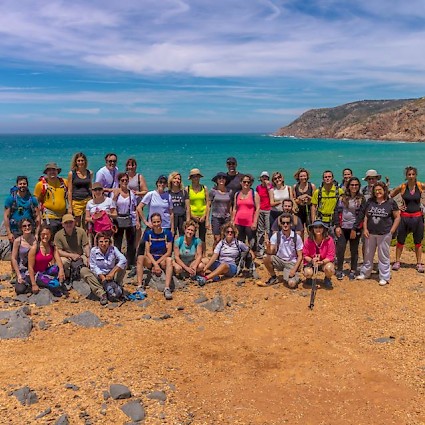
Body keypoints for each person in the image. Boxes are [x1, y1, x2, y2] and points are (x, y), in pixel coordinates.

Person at [356, 182, 400, 286]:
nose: (377, 192)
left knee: (383, 255)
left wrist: (392, 231)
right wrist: (365, 229)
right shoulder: (370, 201)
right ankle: (365, 273)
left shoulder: (391, 202)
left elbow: (397, 217)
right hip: (370, 233)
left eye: (380, 190)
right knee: (368, 254)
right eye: (375, 190)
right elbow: (366, 216)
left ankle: (384, 276)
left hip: (384, 233)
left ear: (384, 190)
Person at [54, 214, 106, 303]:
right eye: (66, 223)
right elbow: (58, 251)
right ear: (63, 224)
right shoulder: (58, 235)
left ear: (74, 222)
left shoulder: (81, 231)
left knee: (89, 262)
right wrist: (71, 255)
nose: (69, 224)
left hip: (80, 255)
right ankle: (66, 278)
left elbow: (85, 245)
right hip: (66, 256)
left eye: (70, 222)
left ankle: (90, 279)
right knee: (63, 262)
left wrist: (88, 257)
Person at [390, 166, 425, 273]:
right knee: (400, 240)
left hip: (417, 217)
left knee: (418, 242)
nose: (411, 176)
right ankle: (397, 261)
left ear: (416, 175)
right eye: (409, 174)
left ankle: (419, 263)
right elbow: (390, 196)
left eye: (413, 174)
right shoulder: (402, 187)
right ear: (406, 176)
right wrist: (397, 207)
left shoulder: (420, 186)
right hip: (404, 217)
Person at [333, 177, 365, 280]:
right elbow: (336, 211)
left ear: (359, 186)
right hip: (342, 227)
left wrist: (354, 229)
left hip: (354, 228)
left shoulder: (361, 199)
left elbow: (361, 215)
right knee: (340, 248)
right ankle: (339, 269)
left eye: (356, 185)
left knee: (354, 249)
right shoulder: (342, 198)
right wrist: (337, 226)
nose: (354, 187)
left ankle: (353, 270)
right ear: (348, 186)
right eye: (352, 185)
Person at [136, 213, 174, 300]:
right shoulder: (148, 234)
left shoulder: (167, 233)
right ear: (151, 223)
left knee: (169, 260)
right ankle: (140, 286)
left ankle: (167, 288)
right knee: (140, 258)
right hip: (151, 259)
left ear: (161, 221)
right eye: (154, 222)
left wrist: (157, 264)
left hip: (162, 259)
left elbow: (168, 252)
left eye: (158, 221)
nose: (156, 224)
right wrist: (155, 264)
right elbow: (147, 252)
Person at [260, 213, 303, 288]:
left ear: (291, 224)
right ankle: (273, 277)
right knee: (266, 257)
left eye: (287, 223)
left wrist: (294, 269)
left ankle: (295, 277)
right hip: (279, 260)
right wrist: (268, 246)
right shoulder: (276, 236)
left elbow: (300, 256)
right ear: (280, 224)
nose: (285, 225)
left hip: (291, 263)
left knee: (291, 284)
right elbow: (270, 252)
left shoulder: (296, 237)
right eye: (283, 223)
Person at [89, 231, 127, 305]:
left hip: (111, 275)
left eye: (106, 241)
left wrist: (112, 273)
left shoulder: (113, 249)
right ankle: (102, 294)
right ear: (97, 242)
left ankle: (117, 286)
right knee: (84, 271)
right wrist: (102, 277)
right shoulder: (93, 251)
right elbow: (93, 266)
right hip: (99, 275)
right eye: (101, 242)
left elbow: (123, 259)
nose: (103, 244)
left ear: (109, 242)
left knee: (124, 265)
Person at [28, 224, 65, 296]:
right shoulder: (35, 248)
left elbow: (58, 259)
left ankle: (52, 279)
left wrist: (61, 270)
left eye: (47, 234)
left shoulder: (52, 247)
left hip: (45, 271)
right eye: (43, 234)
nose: (45, 236)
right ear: (39, 235)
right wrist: (33, 284)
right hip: (36, 274)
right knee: (55, 284)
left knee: (57, 268)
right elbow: (30, 267)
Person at [113, 173, 140, 268]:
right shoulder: (116, 192)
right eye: (122, 180)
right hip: (118, 219)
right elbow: (112, 206)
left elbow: (135, 208)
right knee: (117, 242)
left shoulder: (131, 193)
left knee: (131, 242)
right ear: (119, 182)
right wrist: (115, 197)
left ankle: (130, 262)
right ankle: (118, 262)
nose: (124, 182)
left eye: (126, 180)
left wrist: (137, 221)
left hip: (129, 219)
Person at [34, 162, 68, 235]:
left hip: (63, 216)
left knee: (62, 238)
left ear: (57, 171)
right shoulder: (40, 185)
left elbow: (70, 194)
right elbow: (36, 203)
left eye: (54, 170)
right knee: (50, 237)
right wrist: (39, 218)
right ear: (46, 172)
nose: (52, 172)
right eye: (49, 170)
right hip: (49, 217)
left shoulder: (64, 182)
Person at [4, 176, 40, 243]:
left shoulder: (32, 199)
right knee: (15, 248)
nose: (22, 185)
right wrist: (9, 233)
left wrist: (36, 233)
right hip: (15, 230)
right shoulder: (11, 199)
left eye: (24, 184)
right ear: (17, 185)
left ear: (27, 185)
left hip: (29, 229)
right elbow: (6, 216)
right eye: (20, 184)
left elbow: (37, 216)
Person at [303, 220, 336, 289]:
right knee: (307, 273)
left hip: (324, 262)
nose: (318, 229)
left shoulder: (329, 240)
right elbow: (305, 255)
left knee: (330, 268)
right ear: (312, 229)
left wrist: (322, 262)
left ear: (324, 229)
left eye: (320, 227)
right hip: (312, 263)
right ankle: (309, 279)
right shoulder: (308, 240)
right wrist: (312, 261)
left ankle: (327, 278)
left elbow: (331, 256)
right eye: (316, 227)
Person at [232, 174, 260, 250]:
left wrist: (255, 222)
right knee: (240, 242)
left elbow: (257, 209)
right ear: (241, 182)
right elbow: (235, 208)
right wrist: (232, 221)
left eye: (248, 182)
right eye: (244, 182)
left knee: (252, 242)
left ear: (251, 183)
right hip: (238, 222)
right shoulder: (237, 194)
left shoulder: (254, 194)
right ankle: (241, 256)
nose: (246, 183)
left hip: (250, 223)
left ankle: (253, 255)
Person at [10, 219, 36, 294]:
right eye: (24, 226)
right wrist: (18, 275)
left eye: (29, 225)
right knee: (20, 290)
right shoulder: (18, 241)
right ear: (21, 228)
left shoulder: (36, 239)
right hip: (23, 270)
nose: (27, 227)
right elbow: (14, 258)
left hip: (35, 269)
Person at [187, 168, 209, 253]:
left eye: (197, 176)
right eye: (194, 176)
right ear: (191, 178)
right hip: (192, 216)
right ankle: (192, 253)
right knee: (191, 235)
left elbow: (208, 203)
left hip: (203, 215)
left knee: (202, 237)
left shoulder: (204, 188)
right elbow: (187, 205)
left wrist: (205, 216)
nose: (196, 178)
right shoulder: (187, 189)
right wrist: (192, 216)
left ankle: (203, 254)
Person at [67, 152, 92, 227]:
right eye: (79, 161)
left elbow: (90, 188)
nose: (80, 162)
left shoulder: (89, 173)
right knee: (77, 223)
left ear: (85, 161)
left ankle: (86, 235)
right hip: (76, 201)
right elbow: (69, 190)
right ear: (76, 162)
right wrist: (70, 206)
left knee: (87, 222)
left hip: (87, 200)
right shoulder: (72, 173)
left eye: (82, 160)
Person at [209, 172, 232, 247]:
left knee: (226, 237)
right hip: (216, 217)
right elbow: (209, 205)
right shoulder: (213, 191)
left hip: (226, 217)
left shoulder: (229, 191)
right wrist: (207, 220)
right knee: (217, 238)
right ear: (217, 180)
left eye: (223, 178)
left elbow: (230, 206)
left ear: (226, 180)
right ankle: (215, 252)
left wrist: (231, 218)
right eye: (219, 178)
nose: (221, 179)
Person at [255, 171, 273, 258]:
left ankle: (269, 249)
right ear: (261, 178)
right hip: (260, 210)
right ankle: (260, 249)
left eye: (266, 177)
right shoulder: (258, 187)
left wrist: (268, 187)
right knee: (260, 231)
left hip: (268, 210)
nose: (264, 179)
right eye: (263, 177)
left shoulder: (270, 187)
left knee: (269, 230)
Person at [168, 172, 189, 236]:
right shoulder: (167, 193)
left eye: (179, 179)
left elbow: (188, 208)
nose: (177, 180)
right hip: (172, 218)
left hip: (182, 217)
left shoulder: (184, 192)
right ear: (171, 179)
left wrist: (188, 220)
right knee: (171, 236)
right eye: (175, 178)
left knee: (183, 236)